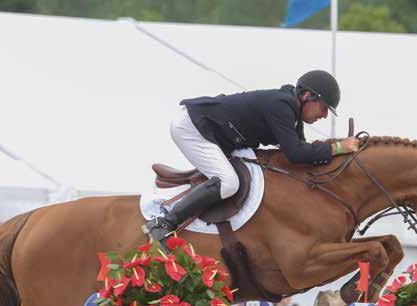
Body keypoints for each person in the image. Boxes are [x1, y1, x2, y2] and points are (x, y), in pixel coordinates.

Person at [143, 70, 360, 245]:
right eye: (324, 108)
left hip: (214, 132)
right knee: (229, 183)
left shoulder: (291, 114)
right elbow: (295, 154)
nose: (324, 115)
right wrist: (339, 147)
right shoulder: (281, 106)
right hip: (193, 128)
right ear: (306, 96)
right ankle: (163, 223)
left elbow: (302, 152)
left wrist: (334, 150)